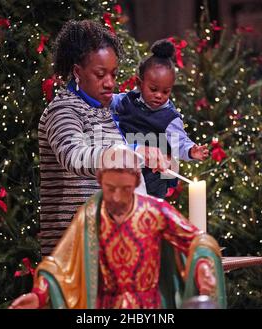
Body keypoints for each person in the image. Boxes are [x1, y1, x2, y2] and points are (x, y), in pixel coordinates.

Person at [10, 146, 226, 309]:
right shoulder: (91, 215)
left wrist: (203, 266)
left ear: (135, 182)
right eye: (110, 188)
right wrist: (39, 294)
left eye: (125, 189)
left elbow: (197, 240)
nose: (116, 197)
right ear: (100, 180)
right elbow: (60, 265)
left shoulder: (155, 211)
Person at [38, 20, 170, 255]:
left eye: (113, 74)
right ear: (77, 72)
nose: (110, 82)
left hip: (110, 247)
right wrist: (134, 154)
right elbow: (76, 157)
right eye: (100, 74)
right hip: (74, 254)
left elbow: (114, 157)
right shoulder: (63, 110)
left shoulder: (106, 110)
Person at [111, 39, 209, 198]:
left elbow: (180, 142)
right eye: (153, 89)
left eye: (165, 92)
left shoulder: (169, 118)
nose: (158, 96)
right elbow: (108, 101)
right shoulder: (127, 100)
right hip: (125, 171)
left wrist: (192, 151)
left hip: (152, 179)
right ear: (139, 83)